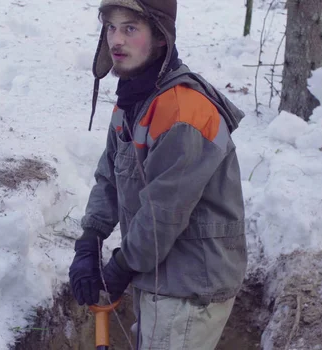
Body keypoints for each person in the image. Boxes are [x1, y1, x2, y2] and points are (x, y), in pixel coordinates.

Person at [69, 0, 248, 349]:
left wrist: (119, 268)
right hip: (159, 277)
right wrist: (89, 240)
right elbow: (110, 176)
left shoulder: (183, 113)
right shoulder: (134, 99)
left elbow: (161, 215)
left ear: (161, 38)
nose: (116, 40)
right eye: (111, 28)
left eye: (130, 28)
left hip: (190, 288)